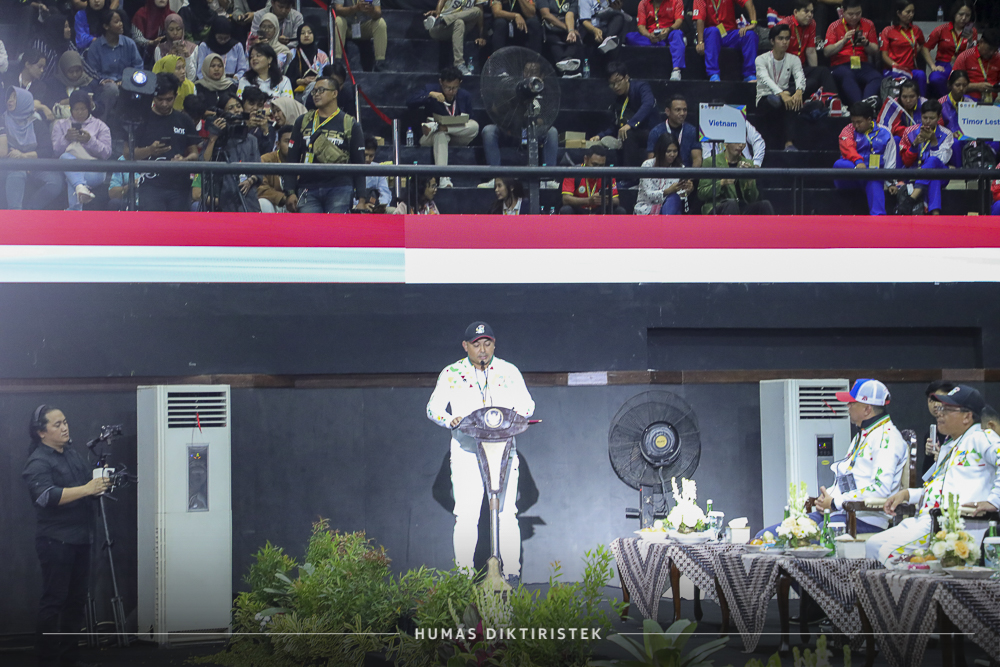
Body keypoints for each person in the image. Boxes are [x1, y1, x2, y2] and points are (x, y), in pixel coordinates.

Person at [425, 321, 535, 585]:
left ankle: (511, 574)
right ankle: (464, 577)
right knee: (466, 515)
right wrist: (449, 419)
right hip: (467, 451)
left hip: (503, 450)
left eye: (487, 344)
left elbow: (528, 404)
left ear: (494, 345)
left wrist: (515, 415)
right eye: (476, 345)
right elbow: (432, 409)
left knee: (507, 513)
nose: (482, 350)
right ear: (466, 346)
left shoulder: (509, 371)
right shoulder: (451, 373)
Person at [756, 379, 908, 540]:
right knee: (767, 536)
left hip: (865, 519)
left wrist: (835, 501)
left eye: (852, 403)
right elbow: (851, 478)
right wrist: (827, 498)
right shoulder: (863, 435)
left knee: (805, 539)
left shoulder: (887, 439)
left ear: (867, 409)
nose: (848, 406)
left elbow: (880, 489)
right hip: (839, 512)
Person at [866, 385, 1000, 563]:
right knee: (872, 545)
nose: (939, 413)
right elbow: (939, 489)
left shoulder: (981, 437)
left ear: (967, 417)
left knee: (888, 553)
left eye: (947, 409)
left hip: (953, 525)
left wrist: (994, 500)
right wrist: (908, 494)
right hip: (926, 519)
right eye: (940, 408)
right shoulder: (949, 446)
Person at [22, 405, 111, 667]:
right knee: (54, 603)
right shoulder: (38, 461)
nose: (64, 427)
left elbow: (86, 486)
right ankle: (48, 661)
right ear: (41, 432)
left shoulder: (72, 455)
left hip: (81, 538)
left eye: (65, 422)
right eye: (57, 424)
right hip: (56, 542)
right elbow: (45, 496)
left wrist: (99, 484)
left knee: (76, 602)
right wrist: (87, 489)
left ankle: (70, 659)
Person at [284, 75, 366, 213]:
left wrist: (362, 199)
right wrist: (290, 191)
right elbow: (292, 158)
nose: (316, 94)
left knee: (336, 227)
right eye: (314, 91)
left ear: (334, 93)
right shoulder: (302, 121)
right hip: (307, 187)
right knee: (310, 227)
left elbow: (359, 163)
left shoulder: (349, 123)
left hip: (340, 187)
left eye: (321, 90)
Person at [129, 73, 201, 211]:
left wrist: (184, 160)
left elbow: (194, 154)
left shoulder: (184, 120)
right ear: (153, 96)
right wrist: (150, 150)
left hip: (180, 186)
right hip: (150, 185)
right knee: (154, 224)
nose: (164, 104)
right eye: (160, 99)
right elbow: (128, 154)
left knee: (178, 225)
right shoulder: (141, 120)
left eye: (169, 99)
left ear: (176, 96)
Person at [406, 67, 478, 188]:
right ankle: (444, 178)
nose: (451, 91)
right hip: (431, 135)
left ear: (460, 83)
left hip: (456, 135)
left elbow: (469, 120)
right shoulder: (431, 90)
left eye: (454, 88)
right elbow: (410, 102)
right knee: (441, 135)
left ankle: (442, 128)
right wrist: (429, 95)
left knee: (474, 125)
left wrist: (451, 126)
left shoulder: (465, 96)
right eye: (447, 87)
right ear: (440, 82)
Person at [2, 86, 63, 210]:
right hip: (12, 164)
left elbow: (47, 150)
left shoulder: (37, 123)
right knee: (17, 174)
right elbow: (4, 150)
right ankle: (14, 214)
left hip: (34, 164)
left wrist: (25, 157)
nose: (10, 101)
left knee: (55, 182)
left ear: (25, 101)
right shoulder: (3, 121)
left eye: (14, 98)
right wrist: (20, 161)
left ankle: (30, 210)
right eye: (9, 97)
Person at [833, 101, 897, 216]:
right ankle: (869, 174)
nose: (856, 126)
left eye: (859, 122)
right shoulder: (848, 130)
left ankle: (879, 219)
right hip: (851, 176)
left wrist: (890, 182)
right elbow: (848, 148)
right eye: (853, 122)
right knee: (838, 164)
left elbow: (890, 159)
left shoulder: (885, 133)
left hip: (872, 178)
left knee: (874, 178)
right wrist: (858, 163)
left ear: (869, 119)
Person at [202, 91, 261, 211]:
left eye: (238, 106)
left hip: (248, 199)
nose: (236, 110)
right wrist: (213, 138)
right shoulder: (217, 139)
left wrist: (250, 181)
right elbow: (203, 163)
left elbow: (259, 170)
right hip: (223, 198)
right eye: (231, 108)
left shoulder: (251, 140)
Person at [53, 89, 112, 209]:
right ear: (71, 109)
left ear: (89, 108)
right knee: (66, 159)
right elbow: (56, 151)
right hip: (68, 167)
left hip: (94, 170)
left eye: (83, 109)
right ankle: (80, 189)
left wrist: (90, 141)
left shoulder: (101, 126)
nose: (80, 112)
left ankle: (76, 200)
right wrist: (66, 139)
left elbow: (107, 153)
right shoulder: (60, 124)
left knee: (73, 177)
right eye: (76, 109)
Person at [590, 61, 656, 167]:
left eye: (618, 82)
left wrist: (630, 124)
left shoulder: (641, 87)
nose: (616, 87)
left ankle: (629, 174)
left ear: (626, 77)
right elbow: (616, 125)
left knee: (627, 133)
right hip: (634, 134)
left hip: (651, 131)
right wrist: (600, 136)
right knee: (626, 134)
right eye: (612, 84)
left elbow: (648, 104)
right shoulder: (618, 100)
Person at [755, 23, 806, 151]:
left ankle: (789, 144)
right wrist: (781, 93)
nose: (784, 42)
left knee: (792, 101)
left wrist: (799, 91)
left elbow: (800, 75)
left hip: (784, 96)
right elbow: (765, 79)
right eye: (780, 38)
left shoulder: (794, 59)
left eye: (787, 38)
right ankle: (786, 142)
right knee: (776, 101)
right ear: (772, 41)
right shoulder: (761, 59)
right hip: (765, 96)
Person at [897, 99, 952, 216]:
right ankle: (935, 214)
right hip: (915, 173)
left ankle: (912, 198)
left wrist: (934, 141)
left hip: (942, 173)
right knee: (934, 177)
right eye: (924, 117)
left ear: (939, 117)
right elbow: (906, 162)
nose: (927, 121)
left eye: (932, 118)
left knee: (933, 161)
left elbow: (943, 160)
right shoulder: (909, 132)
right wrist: (914, 145)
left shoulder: (947, 134)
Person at [84, 8, 144, 115]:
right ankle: (102, 121)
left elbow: (138, 66)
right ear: (106, 26)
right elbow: (92, 72)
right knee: (112, 89)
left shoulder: (129, 43)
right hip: (104, 87)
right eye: (116, 22)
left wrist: (126, 80)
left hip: (127, 85)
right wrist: (104, 80)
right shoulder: (95, 47)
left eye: (121, 21)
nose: (121, 24)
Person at [823, 0, 880, 107]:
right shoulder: (834, 26)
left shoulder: (868, 24)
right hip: (840, 65)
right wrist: (843, 41)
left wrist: (866, 43)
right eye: (851, 14)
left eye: (858, 13)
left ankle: (865, 105)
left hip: (862, 64)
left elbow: (875, 50)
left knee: (876, 77)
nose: (854, 17)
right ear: (843, 12)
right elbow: (827, 52)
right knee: (847, 75)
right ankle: (860, 106)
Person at [779, 1, 836, 98]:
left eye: (812, 12)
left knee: (822, 72)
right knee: (811, 82)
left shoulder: (812, 23)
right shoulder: (785, 25)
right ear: (796, 12)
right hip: (785, 68)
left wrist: (815, 72)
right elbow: (778, 52)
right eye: (806, 11)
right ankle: (786, 93)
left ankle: (833, 101)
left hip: (801, 68)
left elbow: (811, 51)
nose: (810, 15)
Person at [698, 141, 773, 214]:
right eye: (737, 142)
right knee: (731, 204)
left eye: (743, 142)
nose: (741, 145)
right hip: (718, 206)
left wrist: (749, 180)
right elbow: (702, 193)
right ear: (726, 143)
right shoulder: (711, 162)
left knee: (765, 205)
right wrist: (722, 183)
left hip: (741, 208)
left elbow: (753, 199)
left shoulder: (748, 163)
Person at [693, 0, 758, 83]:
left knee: (750, 35)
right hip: (712, 34)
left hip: (730, 33)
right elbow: (699, 19)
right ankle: (713, 74)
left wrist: (753, 22)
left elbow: (748, 2)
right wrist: (700, 41)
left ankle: (749, 74)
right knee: (713, 31)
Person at [879, 1, 932, 97]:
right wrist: (896, 66)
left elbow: (923, 44)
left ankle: (922, 102)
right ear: (898, 13)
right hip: (893, 70)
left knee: (921, 75)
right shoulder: (887, 31)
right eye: (908, 12)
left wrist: (917, 50)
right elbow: (884, 55)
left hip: (911, 70)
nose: (911, 15)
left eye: (913, 12)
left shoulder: (916, 30)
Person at [925, 1, 976, 99]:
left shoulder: (972, 31)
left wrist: (970, 41)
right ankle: (947, 101)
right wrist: (932, 65)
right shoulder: (941, 29)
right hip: (944, 64)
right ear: (954, 14)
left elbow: (973, 54)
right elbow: (925, 47)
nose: (964, 18)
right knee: (935, 79)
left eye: (967, 15)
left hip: (963, 65)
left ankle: (963, 101)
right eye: (961, 14)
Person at [625, 0, 684, 81]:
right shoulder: (643, 3)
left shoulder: (676, 1)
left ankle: (676, 70)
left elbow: (679, 21)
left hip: (669, 33)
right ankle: (663, 43)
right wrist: (649, 35)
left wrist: (668, 29)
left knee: (678, 34)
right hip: (651, 35)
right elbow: (641, 26)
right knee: (629, 37)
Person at [635, 133, 692, 215]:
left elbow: (680, 196)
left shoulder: (680, 167)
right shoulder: (647, 165)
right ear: (661, 151)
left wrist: (687, 191)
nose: (672, 154)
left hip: (670, 206)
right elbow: (648, 195)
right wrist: (667, 191)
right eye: (668, 151)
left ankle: (666, 221)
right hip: (647, 208)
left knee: (674, 198)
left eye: (675, 151)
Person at [559, 144, 625, 214]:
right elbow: (566, 199)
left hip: (599, 209)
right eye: (594, 164)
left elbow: (616, 200)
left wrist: (604, 200)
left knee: (620, 211)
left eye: (601, 165)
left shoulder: (608, 174)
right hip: (579, 210)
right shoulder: (573, 172)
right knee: (566, 210)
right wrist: (588, 201)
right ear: (585, 159)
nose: (598, 169)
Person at [427, 0, 487, 77]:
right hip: (441, 28)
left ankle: (444, 20)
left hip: (460, 28)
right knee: (459, 22)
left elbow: (480, 13)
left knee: (477, 11)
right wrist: (437, 13)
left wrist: (481, 36)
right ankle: (459, 64)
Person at [646, 94, 702, 167]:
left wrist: (691, 175)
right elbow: (652, 160)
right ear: (667, 111)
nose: (682, 113)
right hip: (662, 172)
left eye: (684, 110)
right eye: (678, 110)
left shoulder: (693, 131)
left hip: (686, 172)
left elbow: (697, 159)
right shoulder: (656, 132)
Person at [333, 0, 389, 72]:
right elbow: (337, 10)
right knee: (338, 21)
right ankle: (337, 61)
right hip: (346, 27)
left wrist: (371, 11)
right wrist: (355, 8)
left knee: (381, 23)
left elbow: (378, 13)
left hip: (363, 26)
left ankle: (380, 63)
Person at [952, 29, 1000, 103]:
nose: (992, 53)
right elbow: (953, 84)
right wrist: (977, 86)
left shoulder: (998, 58)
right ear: (981, 42)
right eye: (989, 49)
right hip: (968, 100)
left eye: (995, 50)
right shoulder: (964, 57)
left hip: (992, 100)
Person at [877, 78, 925, 149]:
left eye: (912, 96)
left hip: (922, 139)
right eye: (904, 97)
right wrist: (910, 132)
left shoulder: (925, 105)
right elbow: (886, 127)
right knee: (895, 139)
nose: (908, 100)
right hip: (902, 139)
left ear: (918, 96)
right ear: (900, 96)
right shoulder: (894, 105)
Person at [920, 380, 956, 475]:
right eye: (931, 401)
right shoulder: (931, 434)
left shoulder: (958, 431)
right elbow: (926, 476)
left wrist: (944, 461)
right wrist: (929, 455)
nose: (935, 405)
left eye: (940, 399)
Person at [197, 16, 249, 80]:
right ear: (214, 34)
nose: (223, 41)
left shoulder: (237, 46)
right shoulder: (204, 46)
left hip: (232, 81)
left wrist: (237, 77)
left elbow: (243, 69)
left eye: (226, 38)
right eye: (220, 38)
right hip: (209, 81)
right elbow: (200, 71)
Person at [538, 0, 582, 77]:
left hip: (565, 27)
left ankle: (566, 60)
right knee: (553, 40)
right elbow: (546, 15)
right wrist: (567, 28)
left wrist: (571, 31)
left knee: (576, 37)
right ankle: (567, 71)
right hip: (550, 28)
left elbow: (570, 15)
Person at [937, 69, 971, 167]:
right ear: (950, 85)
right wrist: (950, 134)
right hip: (948, 139)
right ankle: (959, 170)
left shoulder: (970, 103)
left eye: (964, 85)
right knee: (955, 143)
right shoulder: (941, 104)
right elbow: (937, 129)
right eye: (957, 85)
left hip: (967, 137)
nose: (961, 88)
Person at [257, 123, 293, 212]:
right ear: (278, 144)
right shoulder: (266, 159)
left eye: (293, 142)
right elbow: (260, 187)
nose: (291, 146)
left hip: (295, 202)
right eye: (287, 141)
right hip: (275, 203)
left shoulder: (303, 159)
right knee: (263, 203)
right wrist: (282, 198)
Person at [285, 23, 329, 96]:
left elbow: (327, 76)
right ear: (298, 36)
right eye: (302, 33)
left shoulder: (322, 55)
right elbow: (286, 77)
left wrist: (317, 80)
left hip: (318, 90)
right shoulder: (291, 54)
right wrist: (301, 81)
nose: (306, 35)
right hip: (296, 91)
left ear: (314, 35)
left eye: (309, 33)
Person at [154, 14, 199, 82]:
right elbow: (159, 74)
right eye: (171, 30)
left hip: (186, 86)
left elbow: (192, 78)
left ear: (183, 29)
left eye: (178, 29)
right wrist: (168, 57)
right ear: (166, 30)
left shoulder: (192, 48)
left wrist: (187, 56)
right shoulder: (160, 49)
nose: (175, 33)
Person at [357, 134, 392, 211]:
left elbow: (385, 193)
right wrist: (363, 205)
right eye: (365, 155)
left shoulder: (378, 169)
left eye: (371, 156)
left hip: (374, 208)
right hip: (355, 207)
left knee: (392, 210)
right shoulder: (350, 168)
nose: (367, 159)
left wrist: (381, 206)